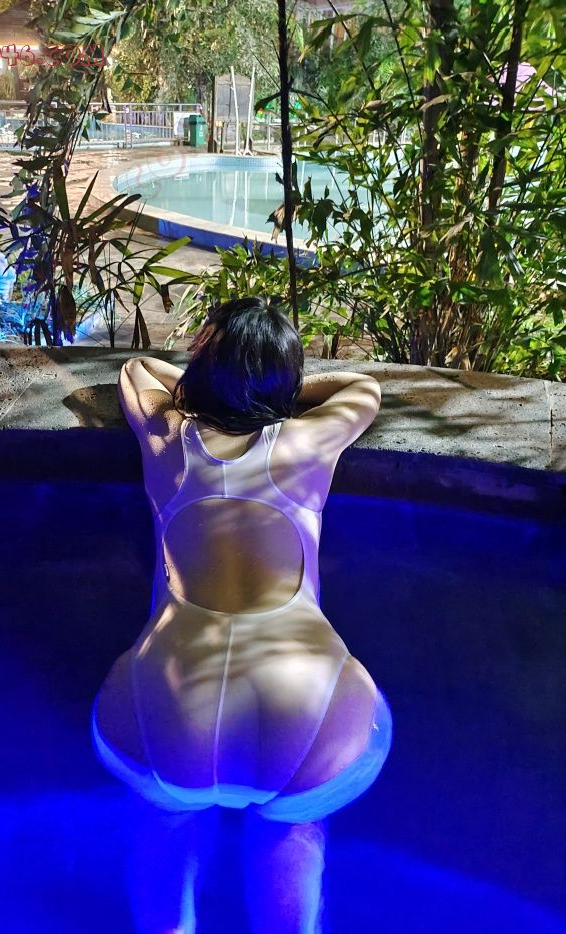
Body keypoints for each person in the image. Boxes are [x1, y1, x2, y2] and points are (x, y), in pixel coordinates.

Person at [92, 296, 393, 933]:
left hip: (167, 700)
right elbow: (364, 387)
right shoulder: (309, 440)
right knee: (294, 830)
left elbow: (138, 369)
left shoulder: (168, 437)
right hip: (307, 706)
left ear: (205, 363)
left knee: (163, 825)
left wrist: (209, 382)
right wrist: (276, 387)